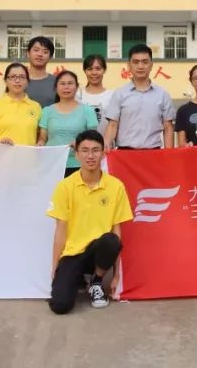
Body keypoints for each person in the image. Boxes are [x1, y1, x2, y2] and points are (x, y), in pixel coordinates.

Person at [47, 129, 133, 313]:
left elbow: (117, 232)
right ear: (76, 154)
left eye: (95, 150)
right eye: (84, 150)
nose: (90, 156)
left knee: (111, 240)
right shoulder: (64, 187)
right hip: (73, 253)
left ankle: (96, 281)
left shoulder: (115, 186)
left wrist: (117, 276)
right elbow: (60, 229)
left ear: (103, 153)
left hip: (98, 250)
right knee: (60, 306)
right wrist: (55, 268)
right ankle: (77, 277)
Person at [104, 44, 175, 150]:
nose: (140, 66)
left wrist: (169, 155)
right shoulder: (119, 94)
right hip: (125, 154)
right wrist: (106, 148)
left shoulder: (162, 95)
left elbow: (168, 127)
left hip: (153, 153)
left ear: (151, 65)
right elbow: (112, 125)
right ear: (129, 65)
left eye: (145, 62)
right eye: (136, 62)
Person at [40, 71, 99, 175]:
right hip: (52, 164)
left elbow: (93, 138)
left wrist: (79, 142)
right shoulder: (47, 111)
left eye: (70, 83)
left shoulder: (87, 110)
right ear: (56, 88)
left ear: (77, 87)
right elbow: (43, 138)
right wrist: (40, 144)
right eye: (62, 84)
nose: (66, 87)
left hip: (78, 164)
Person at [0, 63, 43, 145]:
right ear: (5, 81)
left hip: (28, 153)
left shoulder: (36, 107)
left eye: (22, 77)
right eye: (13, 77)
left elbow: (41, 136)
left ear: (27, 81)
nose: (17, 81)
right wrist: (0, 144)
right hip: (0, 153)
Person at [77, 54, 112, 135]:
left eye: (98, 69)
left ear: (104, 70)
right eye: (90, 69)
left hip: (106, 142)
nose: (94, 73)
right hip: (82, 142)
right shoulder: (77, 95)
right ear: (85, 71)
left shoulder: (113, 95)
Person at [25, 36, 58, 107]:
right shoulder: (18, 80)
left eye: (45, 52)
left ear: (50, 57)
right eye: (36, 50)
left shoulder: (57, 82)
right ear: (28, 53)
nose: (40, 54)